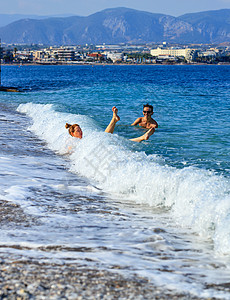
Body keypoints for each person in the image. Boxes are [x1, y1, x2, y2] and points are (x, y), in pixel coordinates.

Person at [66, 105, 157, 142]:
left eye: (81, 129)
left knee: (108, 136)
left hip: (98, 142)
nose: (81, 132)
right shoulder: (73, 142)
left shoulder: (82, 140)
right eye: (78, 131)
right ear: (72, 134)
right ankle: (142, 137)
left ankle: (114, 120)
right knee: (121, 141)